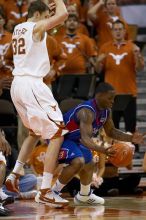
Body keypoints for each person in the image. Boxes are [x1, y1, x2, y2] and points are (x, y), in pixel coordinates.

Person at [5, 0, 69, 208]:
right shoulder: (37, 26)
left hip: (17, 86)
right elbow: (63, 15)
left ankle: (14, 174)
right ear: (41, 14)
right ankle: (45, 190)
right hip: (33, 85)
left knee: (34, 132)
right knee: (58, 134)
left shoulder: (17, 27)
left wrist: (45, 14)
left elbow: (44, 22)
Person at [50, 82, 146, 205]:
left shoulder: (106, 112)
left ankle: (84, 195)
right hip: (61, 138)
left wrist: (131, 138)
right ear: (99, 95)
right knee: (78, 161)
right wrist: (103, 150)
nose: (113, 102)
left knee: (89, 163)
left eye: (114, 98)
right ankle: (53, 193)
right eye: (110, 98)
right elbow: (85, 139)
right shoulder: (87, 111)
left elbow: (111, 131)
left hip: (76, 139)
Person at [96, 20, 144, 151]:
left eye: (120, 29)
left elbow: (140, 69)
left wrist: (138, 56)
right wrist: (98, 62)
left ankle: (133, 151)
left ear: (124, 31)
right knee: (112, 126)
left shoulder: (132, 47)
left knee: (130, 125)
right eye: (115, 29)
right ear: (112, 32)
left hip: (129, 92)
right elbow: (98, 70)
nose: (117, 31)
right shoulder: (105, 47)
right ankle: (115, 151)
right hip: (110, 96)